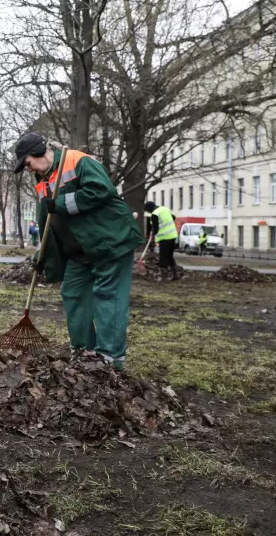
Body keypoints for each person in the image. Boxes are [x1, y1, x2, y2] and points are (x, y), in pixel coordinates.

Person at [13, 133, 144, 370]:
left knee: (108, 295)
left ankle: (110, 358)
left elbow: (101, 190)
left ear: (39, 152)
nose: (28, 168)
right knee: (73, 292)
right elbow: (48, 223)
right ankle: (84, 351)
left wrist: (61, 204)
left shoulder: (77, 161)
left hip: (109, 242)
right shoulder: (42, 181)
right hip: (79, 251)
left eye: (27, 162)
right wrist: (42, 253)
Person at [145, 201, 180, 280]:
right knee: (169, 255)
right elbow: (173, 217)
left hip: (165, 237)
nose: (148, 212)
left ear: (150, 209)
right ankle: (175, 274)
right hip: (173, 235)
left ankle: (163, 276)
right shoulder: (164, 209)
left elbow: (156, 230)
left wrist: (152, 231)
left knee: (163, 256)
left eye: (148, 211)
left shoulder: (155, 214)